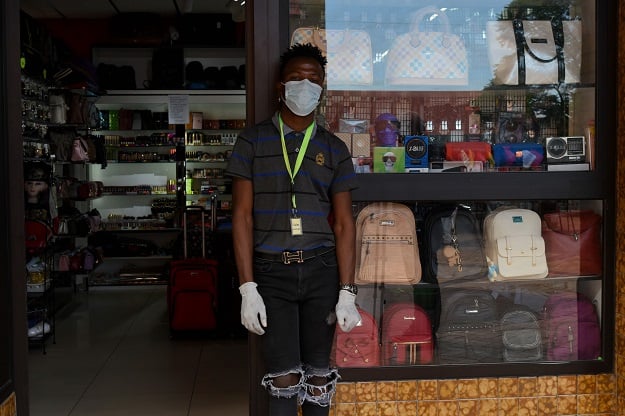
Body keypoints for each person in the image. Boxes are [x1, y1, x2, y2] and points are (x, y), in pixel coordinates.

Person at [225, 43, 361, 416]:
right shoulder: (251, 142)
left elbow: (345, 223)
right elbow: (242, 216)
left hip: (321, 271)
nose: (305, 85)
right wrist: (247, 287)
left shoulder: (334, 148)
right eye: (296, 78)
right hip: (271, 274)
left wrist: (347, 291)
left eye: (313, 79)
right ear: (279, 87)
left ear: (323, 89)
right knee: (283, 381)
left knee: (319, 380)